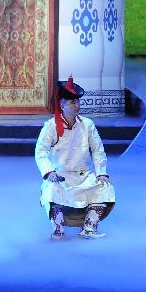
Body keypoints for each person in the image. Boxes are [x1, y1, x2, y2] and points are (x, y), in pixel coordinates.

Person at [35, 76, 116, 240]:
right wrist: (49, 172)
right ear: (62, 104)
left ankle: (89, 227)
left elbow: (98, 150)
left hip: (83, 175)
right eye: (72, 102)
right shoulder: (50, 126)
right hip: (60, 175)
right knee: (51, 190)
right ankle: (58, 229)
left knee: (105, 187)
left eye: (78, 102)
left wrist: (101, 172)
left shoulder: (87, 124)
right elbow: (41, 151)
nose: (77, 105)